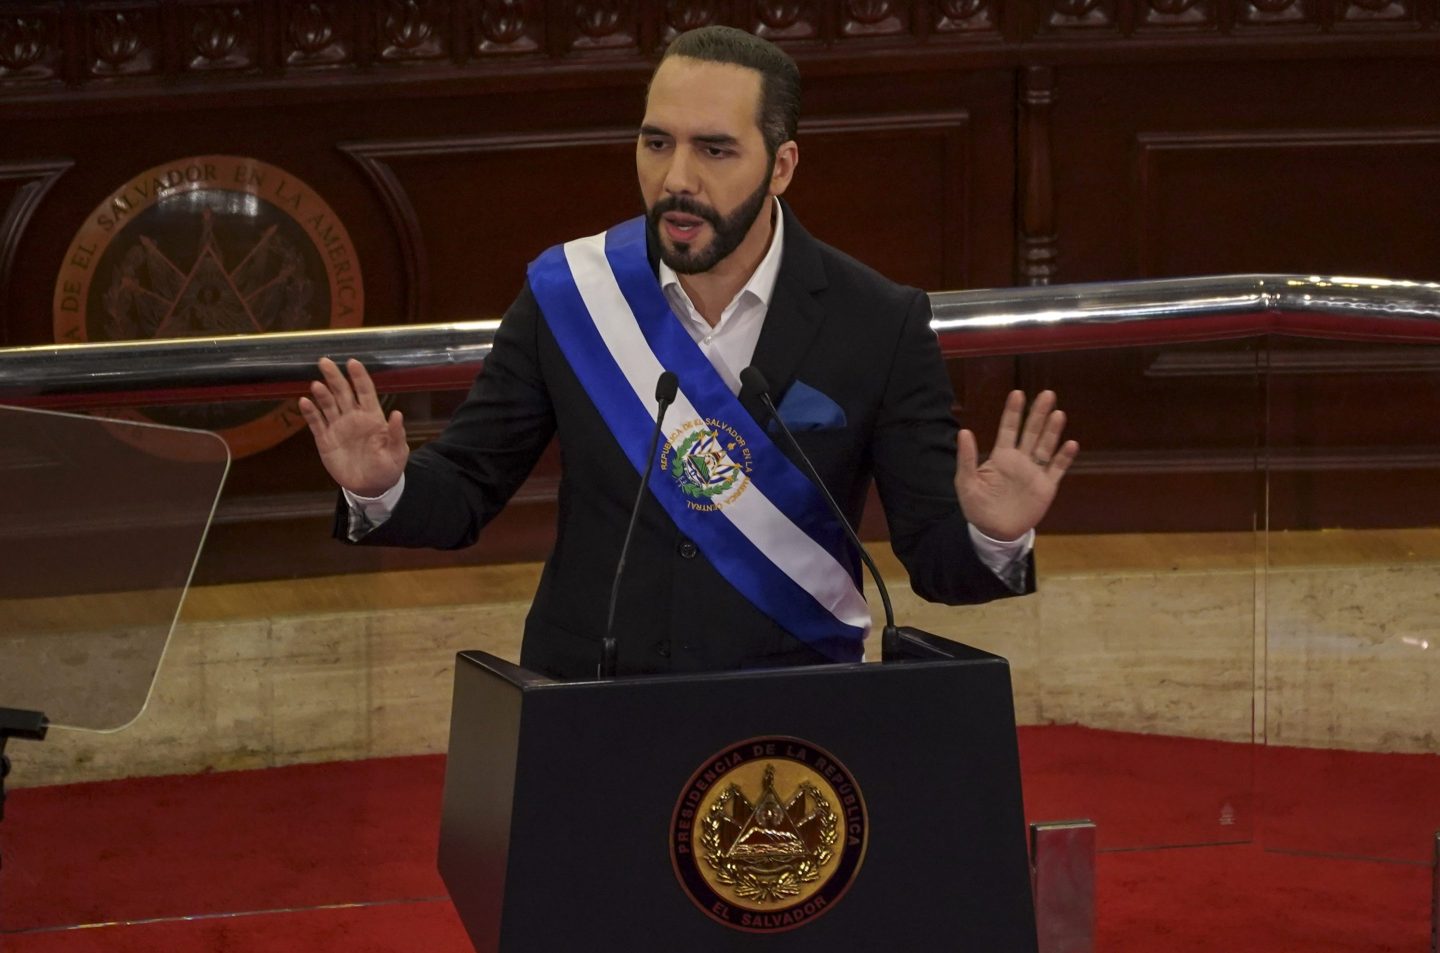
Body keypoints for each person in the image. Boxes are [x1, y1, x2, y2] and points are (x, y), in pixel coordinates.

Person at [299, 26, 1078, 680]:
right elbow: (466, 490)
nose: (676, 179)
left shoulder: (878, 322)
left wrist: (994, 535)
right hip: (591, 699)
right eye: (656, 143)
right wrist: (383, 488)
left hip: (789, 717)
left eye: (714, 150)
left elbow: (937, 561)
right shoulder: (572, 294)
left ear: (781, 166)